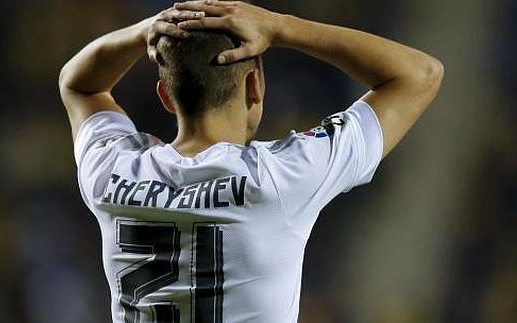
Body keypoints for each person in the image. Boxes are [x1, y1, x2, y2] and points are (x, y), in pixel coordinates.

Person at [59, 1, 443, 322]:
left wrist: (148, 29)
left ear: (165, 95)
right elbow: (419, 74)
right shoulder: (281, 177)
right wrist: (280, 27)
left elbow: (78, 83)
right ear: (255, 85)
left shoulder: (114, 173)